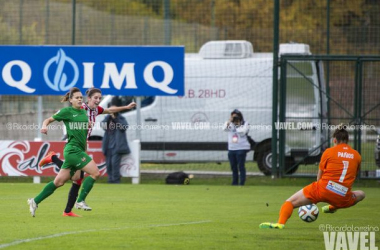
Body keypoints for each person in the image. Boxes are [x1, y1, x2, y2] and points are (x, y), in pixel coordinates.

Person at [38, 89, 136, 217]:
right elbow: (64, 117)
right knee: (88, 175)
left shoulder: (95, 110)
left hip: (83, 144)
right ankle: (78, 202)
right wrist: (47, 126)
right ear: (88, 98)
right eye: (95, 98)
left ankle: (68, 210)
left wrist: (126, 107)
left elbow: (110, 110)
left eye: (99, 98)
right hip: (73, 144)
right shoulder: (79, 107)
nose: (98, 100)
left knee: (75, 179)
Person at [259, 125, 366, 229]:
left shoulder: (329, 152)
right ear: (348, 140)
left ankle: (280, 223)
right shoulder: (357, 155)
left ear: (334, 140)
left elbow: (319, 176)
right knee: (361, 194)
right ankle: (333, 207)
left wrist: (319, 193)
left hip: (323, 189)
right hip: (343, 197)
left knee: (289, 202)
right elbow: (354, 175)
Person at [27, 87, 100, 217]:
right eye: (76, 97)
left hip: (79, 150)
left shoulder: (83, 112)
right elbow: (48, 120)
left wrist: (88, 125)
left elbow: (84, 127)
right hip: (72, 150)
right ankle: (80, 201)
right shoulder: (67, 111)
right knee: (95, 173)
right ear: (71, 100)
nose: (79, 99)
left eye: (80, 97)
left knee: (60, 182)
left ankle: (35, 201)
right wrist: (44, 126)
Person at [102, 96, 131, 184]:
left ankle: (115, 181)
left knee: (114, 164)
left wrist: (115, 118)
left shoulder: (121, 118)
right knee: (108, 164)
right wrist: (108, 116)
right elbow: (103, 126)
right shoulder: (107, 119)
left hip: (117, 146)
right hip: (108, 145)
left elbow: (124, 127)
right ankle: (110, 180)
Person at [223, 109, 250, 186]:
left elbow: (242, 132)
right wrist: (229, 121)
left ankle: (242, 183)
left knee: (241, 166)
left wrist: (237, 124)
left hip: (241, 148)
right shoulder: (229, 123)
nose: (234, 118)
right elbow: (224, 129)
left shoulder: (245, 123)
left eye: (236, 116)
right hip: (231, 148)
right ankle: (234, 182)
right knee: (233, 167)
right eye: (233, 116)